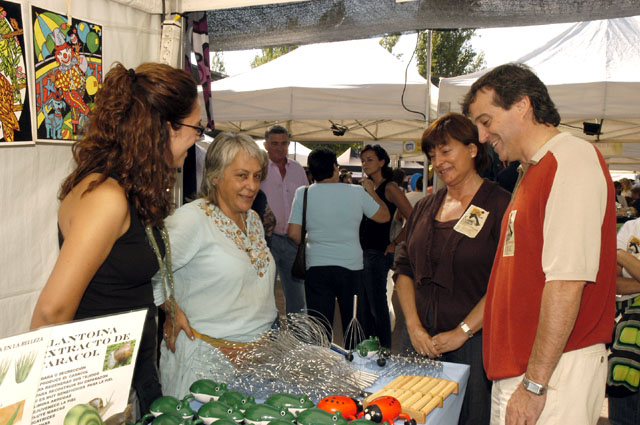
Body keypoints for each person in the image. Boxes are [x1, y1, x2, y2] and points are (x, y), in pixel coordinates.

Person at [30, 62, 200, 416]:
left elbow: (116, 272)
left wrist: (168, 306)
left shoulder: (128, 188)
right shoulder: (106, 197)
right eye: (195, 128)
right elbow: (51, 312)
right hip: (98, 391)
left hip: (129, 372)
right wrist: (40, 404)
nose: (197, 139)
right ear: (165, 128)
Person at [463, 63, 616, 424]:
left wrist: (534, 384)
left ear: (522, 106)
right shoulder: (533, 169)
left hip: (552, 373)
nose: (483, 136)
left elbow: (566, 283)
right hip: (530, 370)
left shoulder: (570, 159)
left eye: (487, 121)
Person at [394, 113, 510, 425]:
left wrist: (462, 332)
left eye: (446, 151)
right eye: (432, 156)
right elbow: (403, 269)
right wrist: (413, 326)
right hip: (418, 341)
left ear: (473, 149)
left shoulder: (501, 205)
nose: (439, 162)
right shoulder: (424, 207)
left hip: (473, 344)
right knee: (414, 415)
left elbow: (506, 282)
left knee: (469, 416)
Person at [154, 132, 277, 398]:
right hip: (205, 366)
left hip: (258, 361)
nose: (252, 185)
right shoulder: (191, 220)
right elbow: (151, 272)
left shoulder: (253, 219)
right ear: (215, 177)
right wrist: (170, 309)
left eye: (257, 176)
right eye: (242, 175)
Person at [287, 148, 389, 342]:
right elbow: (384, 216)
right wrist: (371, 192)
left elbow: (293, 233)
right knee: (355, 325)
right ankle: (355, 366)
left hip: (316, 266)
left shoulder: (304, 193)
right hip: (352, 267)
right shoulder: (356, 192)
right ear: (335, 167)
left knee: (319, 327)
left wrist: (315, 239)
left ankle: (323, 367)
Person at [358, 144, 413, 348]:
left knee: (376, 306)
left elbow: (412, 216)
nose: (365, 164)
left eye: (370, 159)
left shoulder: (389, 187)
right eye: (363, 160)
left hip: (378, 252)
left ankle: (384, 351)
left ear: (382, 162)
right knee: (364, 307)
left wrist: (396, 242)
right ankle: (371, 349)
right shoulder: (367, 186)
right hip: (363, 252)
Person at [261, 125, 308, 315]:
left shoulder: (297, 169)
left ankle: (299, 341)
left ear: (288, 144)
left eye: (283, 143)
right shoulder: (259, 168)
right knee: (265, 295)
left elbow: (306, 200)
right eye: (274, 144)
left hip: (293, 241)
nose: (279, 148)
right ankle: (269, 341)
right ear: (266, 145)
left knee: (297, 297)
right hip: (266, 240)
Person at [608, 218, 640, 425]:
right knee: (623, 412)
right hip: (626, 333)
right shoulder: (631, 228)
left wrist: (622, 256)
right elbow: (614, 282)